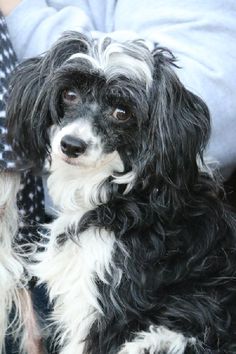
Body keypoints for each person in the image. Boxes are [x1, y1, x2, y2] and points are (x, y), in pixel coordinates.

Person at [1, 0, 236, 182]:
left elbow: (214, 93)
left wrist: (22, 12)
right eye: (71, 97)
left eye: (120, 113)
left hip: (115, 205)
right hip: (39, 169)